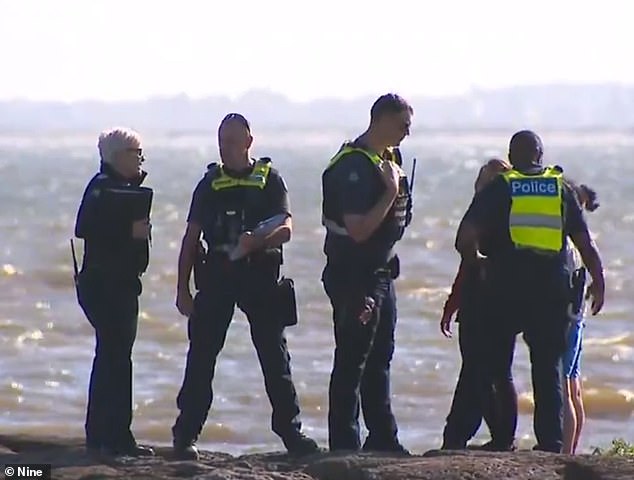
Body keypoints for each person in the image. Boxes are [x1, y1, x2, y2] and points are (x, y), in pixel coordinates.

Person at [171, 113, 320, 460]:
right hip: (218, 276)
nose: (227, 149)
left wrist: (256, 241)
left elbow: (286, 228)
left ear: (249, 142)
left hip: (259, 276)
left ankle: (291, 433)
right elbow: (191, 238)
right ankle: (185, 435)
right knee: (201, 357)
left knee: (274, 357)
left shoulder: (269, 179)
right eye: (222, 142)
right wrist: (182, 288)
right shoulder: (209, 184)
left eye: (234, 142)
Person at [454, 130, 605, 453]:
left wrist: (476, 262)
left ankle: (502, 438)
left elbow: (465, 236)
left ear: (513, 155)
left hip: (504, 290)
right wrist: (599, 279)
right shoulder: (560, 189)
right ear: (540, 155)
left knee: (498, 366)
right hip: (552, 292)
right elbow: (585, 243)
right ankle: (550, 443)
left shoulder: (501, 186)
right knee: (547, 367)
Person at [320, 93, 414, 453]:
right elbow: (358, 229)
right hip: (353, 275)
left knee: (381, 358)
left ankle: (383, 439)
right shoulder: (353, 166)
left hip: (381, 272)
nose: (407, 132)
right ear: (382, 120)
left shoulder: (389, 157)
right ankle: (344, 445)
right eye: (403, 124)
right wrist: (390, 191)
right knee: (352, 360)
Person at [74, 127, 154, 457]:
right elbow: (85, 226)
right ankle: (113, 437)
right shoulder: (102, 189)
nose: (140, 161)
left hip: (119, 285)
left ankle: (106, 434)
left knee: (114, 358)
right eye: (136, 154)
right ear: (118, 157)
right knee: (114, 359)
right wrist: (128, 229)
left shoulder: (121, 189)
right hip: (105, 287)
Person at [440, 158, 518, 451]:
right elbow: (467, 264)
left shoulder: (488, 211)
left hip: (485, 299)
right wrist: (452, 304)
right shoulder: (512, 213)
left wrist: (453, 303)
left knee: (483, 371)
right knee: (485, 371)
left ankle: (498, 437)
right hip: (498, 298)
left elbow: (469, 262)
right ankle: (460, 434)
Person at [562, 184, 598, 454]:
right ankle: (571, 451)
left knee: (564, 390)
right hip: (577, 315)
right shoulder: (583, 242)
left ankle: (563, 453)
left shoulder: (567, 245)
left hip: (567, 315)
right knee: (573, 387)